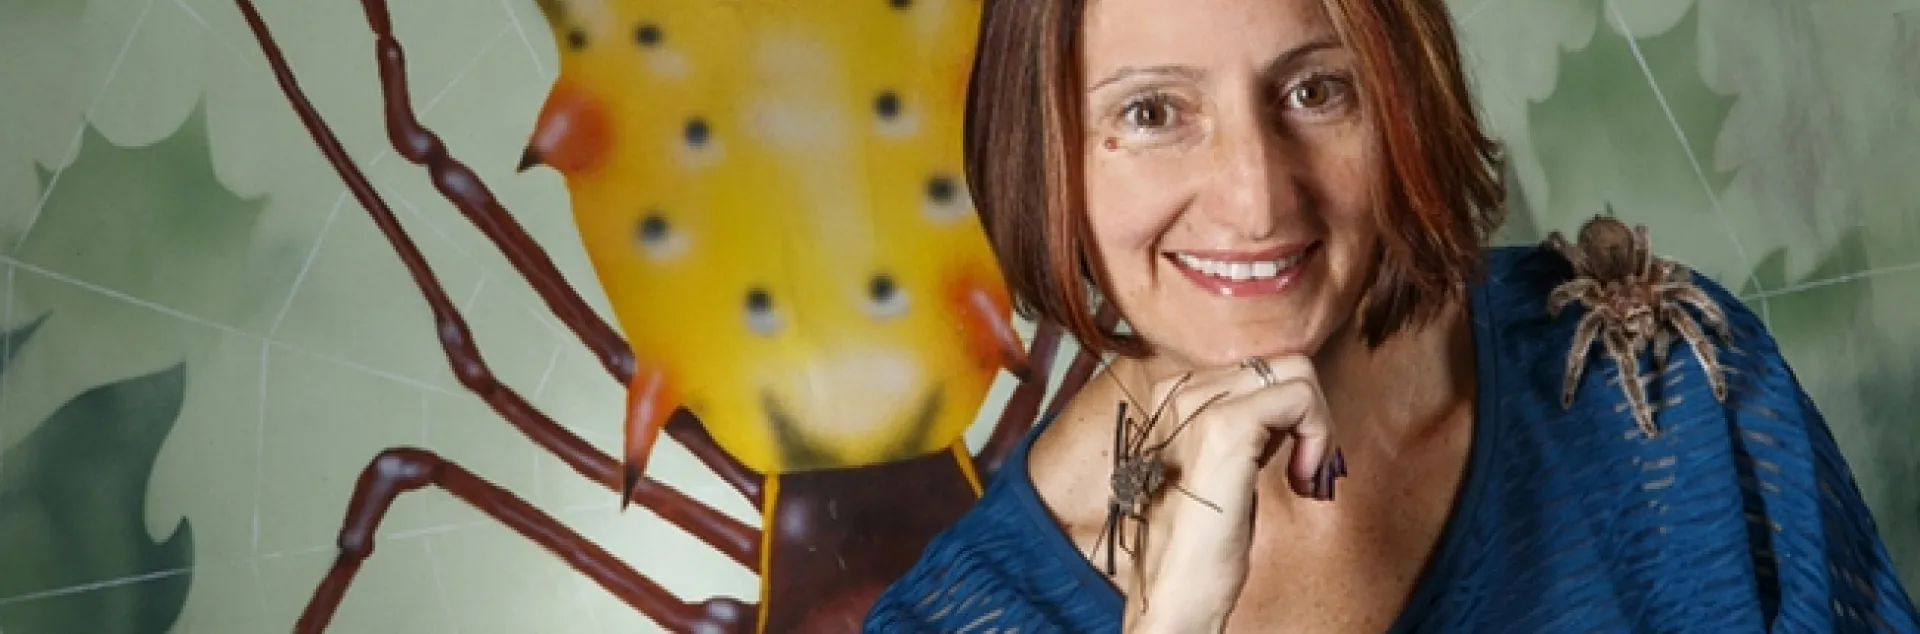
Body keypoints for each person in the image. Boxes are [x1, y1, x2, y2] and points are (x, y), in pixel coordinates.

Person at [863, 0, 1920, 631]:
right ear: (1043, 153)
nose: (1256, 200)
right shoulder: (962, 618)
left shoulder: (1671, 384)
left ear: (1404, 96)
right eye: (1151, 113)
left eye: (1315, 91)